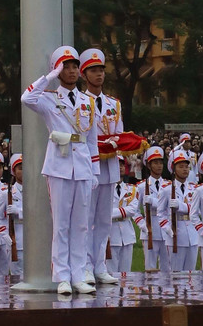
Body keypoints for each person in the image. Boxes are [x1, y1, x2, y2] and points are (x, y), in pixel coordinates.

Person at [21, 45, 97, 297]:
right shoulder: (49, 98)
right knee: (62, 224)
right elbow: (26, 98)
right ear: (58, 70)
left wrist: (94, 170)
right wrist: (49, 77)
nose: (73, 71)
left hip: (83, 165)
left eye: (75, 66)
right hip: (59, 166)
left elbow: (92, 138)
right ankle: (63, 276)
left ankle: (79, 275)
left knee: (81, 224)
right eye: (67, 67)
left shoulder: (88, 101)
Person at [78, 47, 121, 286]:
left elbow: (120, 132)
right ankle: (84, 266)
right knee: (87, 217)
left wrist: (119, 143)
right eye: (93, 71)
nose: (99, 75)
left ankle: (99, 265)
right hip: (89, 163)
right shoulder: (81, 102)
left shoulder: (114, 103)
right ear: (84, 75)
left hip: (110, 165)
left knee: (104, 219)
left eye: (101, 70)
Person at [133, 145, 170, 273]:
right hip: (150, 228)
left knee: (167, 268)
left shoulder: (169, 186)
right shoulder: (141, 187)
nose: (159, 166)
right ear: (149, 166)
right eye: (155, 163)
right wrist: (142, 225)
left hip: (166, 229)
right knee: (150, 268)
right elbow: (135, 210)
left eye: (161, 163)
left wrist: (154, 202)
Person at [164, 149, 198, 273]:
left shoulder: (195, 189)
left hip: (192, 234)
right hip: (175, 232)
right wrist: (167, 228)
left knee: (191, 273)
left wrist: (181, 206)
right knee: (175, 273)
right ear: (173, 169)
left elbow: (198, 210)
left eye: (187, 167)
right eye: (181, 166)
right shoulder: (167, 189)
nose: (185, 169)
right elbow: (160, 213)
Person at [8, 154, 24, 281]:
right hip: (15, 241)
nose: (23, 171)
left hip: (34, 242)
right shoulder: (7, 193)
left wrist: (19, 212)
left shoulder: (37, 191)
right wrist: (5, 237)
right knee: (16, 280)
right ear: (14, 171)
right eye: (20, 168)